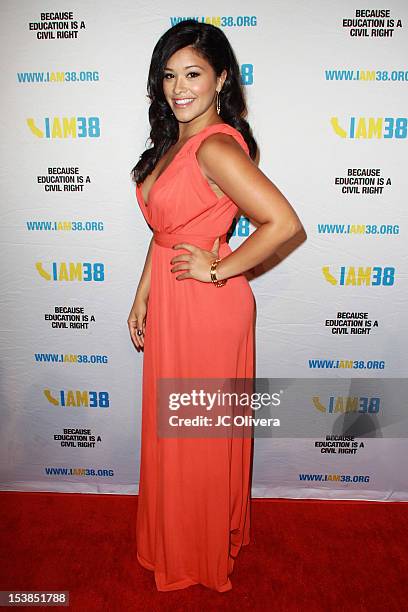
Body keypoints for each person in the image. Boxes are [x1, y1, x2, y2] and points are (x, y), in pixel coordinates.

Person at [128, 19, 304, 592]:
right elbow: (165, 234)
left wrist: (219, 266)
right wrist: (143, 292)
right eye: (169, 75)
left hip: (207, 308)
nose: (179, 88)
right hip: (173, 297)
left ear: (221, 78)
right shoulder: (174, 142)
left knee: (194, 437)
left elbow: (283, 224)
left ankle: (198, 550)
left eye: (194, 74)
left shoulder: (218, 146)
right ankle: (186, 533)